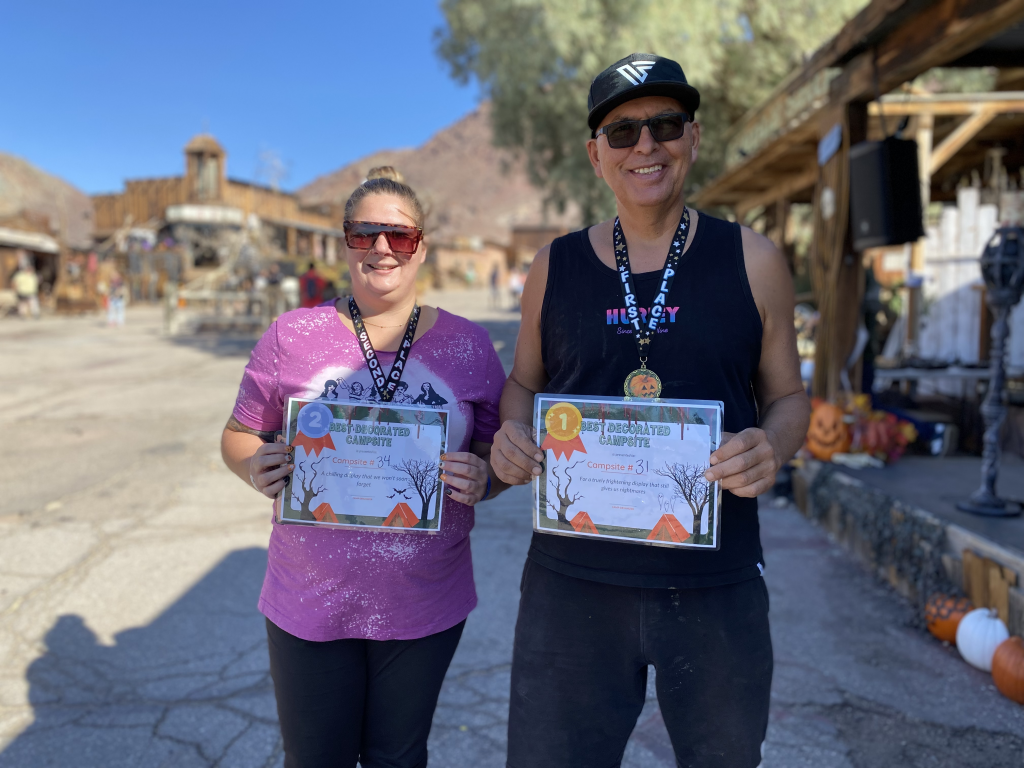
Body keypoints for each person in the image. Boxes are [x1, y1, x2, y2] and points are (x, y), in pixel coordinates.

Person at [490, 53, 810, 768]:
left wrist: (772, 445)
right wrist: (510, 434)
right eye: (622, 131)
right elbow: (523, 383)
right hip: (571, 583)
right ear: (595, 155)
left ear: (692, 138)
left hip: (714, 580)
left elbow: (789, 396)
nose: (645, 146)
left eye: (664, 125)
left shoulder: (753, 260)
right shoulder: (554, 265)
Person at [221, 174, 510, 768]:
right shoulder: (290, 336)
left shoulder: (470, 346)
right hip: (308, 597)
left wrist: (487, 480)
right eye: (365, 233)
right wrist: (256, 467)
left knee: (398, 758)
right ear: (346, 244)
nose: (382, 248)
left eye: (399, 236)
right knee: (315, 759)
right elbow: (239, 434)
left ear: (420, 247)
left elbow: (495, 454)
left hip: (424, 599)